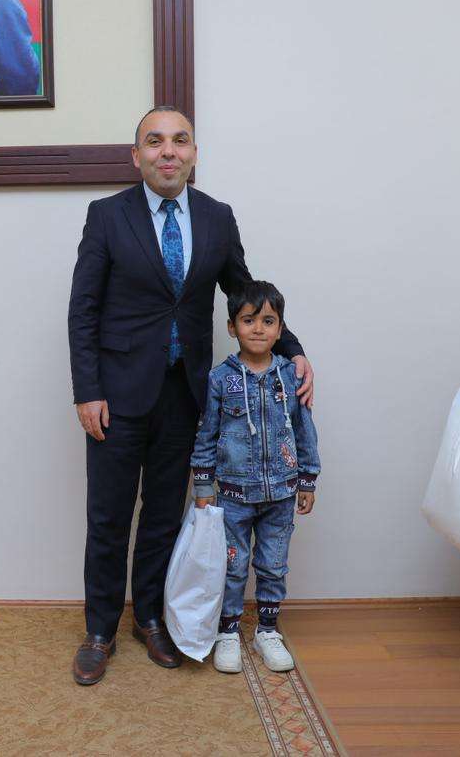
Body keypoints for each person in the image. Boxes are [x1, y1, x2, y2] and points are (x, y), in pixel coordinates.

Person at [66, 106, 315, 686]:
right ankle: (100, 630)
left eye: (180, 141)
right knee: (108, 517)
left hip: (186, 395)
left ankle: (149, 618)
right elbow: (84, 310)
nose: (168, 151)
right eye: (155, 142)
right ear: (137, 156)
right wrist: (88, 390)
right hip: (117, 395)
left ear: (194, 154)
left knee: (163, 515)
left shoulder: (216, 217)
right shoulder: (106, 216)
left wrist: (292, 349)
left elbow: (244, 292)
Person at [190, 281, 320, 674]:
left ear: (280, 329)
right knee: (232, 566)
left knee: (272, 565)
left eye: (268, 320)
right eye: (249, 320)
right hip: (232, 496)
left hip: (281, 493)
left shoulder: (291, 377)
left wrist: (308, 479)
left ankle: (267, 631)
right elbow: (206, 434)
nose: (259, 328)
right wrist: (203, 485)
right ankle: (228, 632)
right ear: (232, 327)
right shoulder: (219, 379)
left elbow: (304, 431)